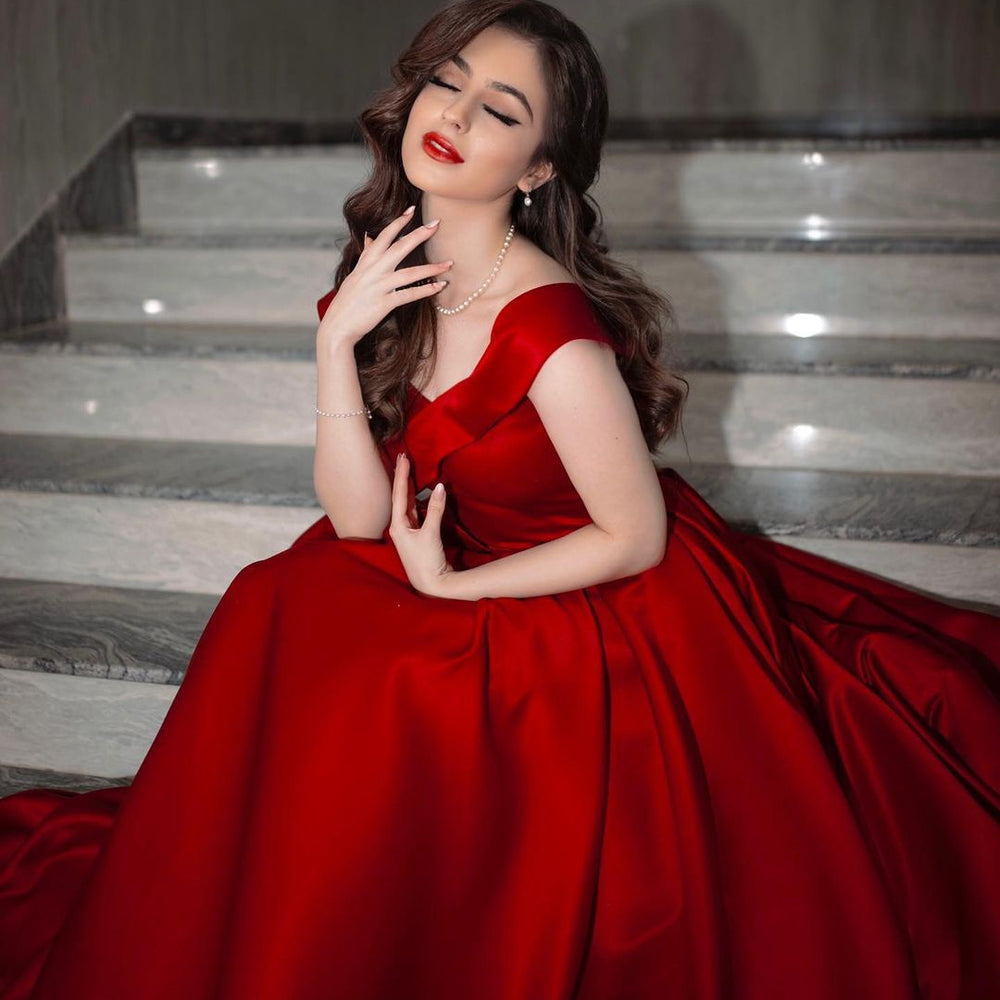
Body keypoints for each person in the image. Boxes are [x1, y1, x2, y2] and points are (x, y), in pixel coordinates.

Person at [1, 0, 998, 997]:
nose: (456, 114)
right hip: (465, 548)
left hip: (596, 591)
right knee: (274, 596)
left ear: (536, 168)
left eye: (501, 108)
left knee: (391, 680)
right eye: (448, 83)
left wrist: (453, 590)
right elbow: (357, 518)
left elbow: (635, 536)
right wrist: (333, 344)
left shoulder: (551, 329)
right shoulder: (401, 266)